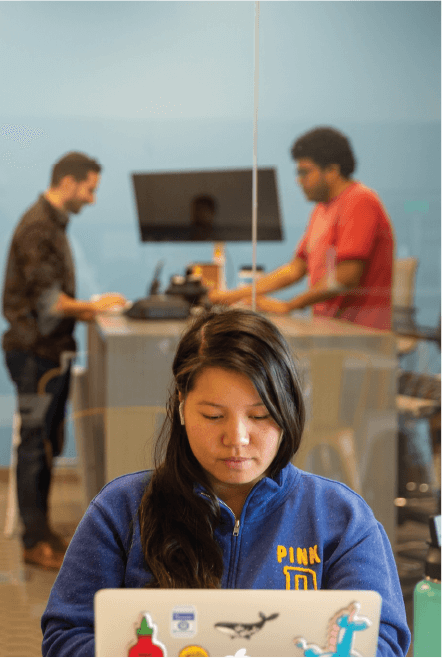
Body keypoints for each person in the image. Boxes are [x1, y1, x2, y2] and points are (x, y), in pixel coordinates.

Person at [41, 309, 410, 657]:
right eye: (214, 415)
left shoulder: (340, 518)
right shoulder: (120, 509)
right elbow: (65, 634)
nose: (237, 437)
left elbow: (383, 637)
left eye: (260, 415)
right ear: (182, 406)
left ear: (288, 410)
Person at [2, 151, 127, 570]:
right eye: (90, 189)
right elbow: (48, 302)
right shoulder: (39, 227)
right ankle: (33, 541)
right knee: (36, 445)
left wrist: (91, 307)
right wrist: (93, 308)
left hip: (47, 353)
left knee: (48, 442)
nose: (92, 199)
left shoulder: (51, 224)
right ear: (69, 182)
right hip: (34, 354)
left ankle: (43, 532)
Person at [209, 127, 394, 331]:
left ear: (332, 171)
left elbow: (346, 276)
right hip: (328, 326)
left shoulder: (360, 201)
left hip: (359, 333)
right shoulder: (321, 210)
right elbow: (295, 269)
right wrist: (231, 296)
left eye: (305, 172)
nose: (299, 180)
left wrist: (289, 306)